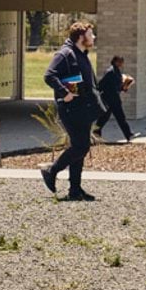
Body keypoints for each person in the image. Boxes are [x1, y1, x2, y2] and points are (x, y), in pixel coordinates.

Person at [40, 21, 101, 201]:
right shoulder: (65, 54)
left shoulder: (80, 54)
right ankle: (51, 171)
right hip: (70, 110)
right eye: (91, 34)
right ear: (81, 37)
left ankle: (75, 189)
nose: (94, 37)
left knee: (81, 147)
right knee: (81, 146)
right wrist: (64, 92)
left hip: (83, 109)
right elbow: (49, 75)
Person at [93, 55, 135, 143]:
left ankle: (128, 135)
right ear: (115, 61)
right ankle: (96, 132)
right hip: (109, 99)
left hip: (114, 98)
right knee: (110, 117)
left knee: (112, 117)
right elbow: (101, 85)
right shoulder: (110, 72)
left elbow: (117, 85)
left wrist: (124, 86)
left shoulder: (117, 71)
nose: (122, 63)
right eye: (120, 61)